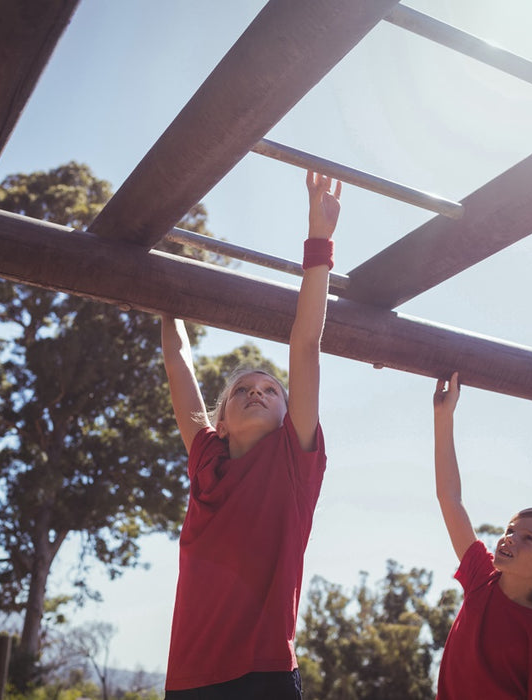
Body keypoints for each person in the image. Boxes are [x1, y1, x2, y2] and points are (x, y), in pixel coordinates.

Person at [161, 171, 341, 699]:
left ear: (289, 415)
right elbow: (179, 367)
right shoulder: (207, 460)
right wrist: (159, 289)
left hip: (262, 675)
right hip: (189, 679)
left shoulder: (294, 458)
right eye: (243, 388)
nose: (258, 391)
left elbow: (305, 343)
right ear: (219, 422)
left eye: (270, 389)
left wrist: (319, 241)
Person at [432, 373, 532, 700]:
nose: (509, 538)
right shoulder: (481, 576)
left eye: (529, 538)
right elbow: (450, 498)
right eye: (510, 530)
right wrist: (444, 417)